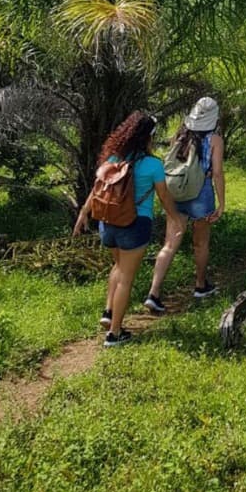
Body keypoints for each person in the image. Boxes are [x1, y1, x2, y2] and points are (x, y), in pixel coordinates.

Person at [73, 111, 180, 347]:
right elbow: (163, 196)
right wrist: (176, 219)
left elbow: (96, 190)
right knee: (126, 279)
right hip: (135, 225)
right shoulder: (153, 165)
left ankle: (109, 312)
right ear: (148, 137)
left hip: (107, 224)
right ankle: (114, 333)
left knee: (118, 266)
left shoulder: (112, 159)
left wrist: (83, 213)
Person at [144, 96, 225, 311]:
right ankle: (200, 285)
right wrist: (221, 203)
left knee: (169, 244)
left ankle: (154, 292)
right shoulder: (215, 140)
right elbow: (217, 173)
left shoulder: (179, 134)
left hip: (176, 192)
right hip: (201, 193)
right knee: (201, 243)